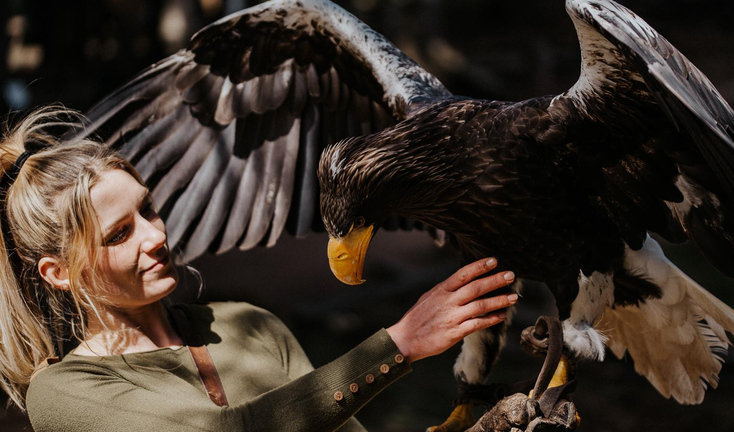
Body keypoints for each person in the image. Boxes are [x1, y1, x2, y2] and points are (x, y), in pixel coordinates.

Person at [0, 106, 518, 431]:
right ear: (58, 273)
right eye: (119, 234)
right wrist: (399, 344)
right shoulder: (65, 392)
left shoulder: (249, 324)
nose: (156, 236)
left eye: (149, 209)